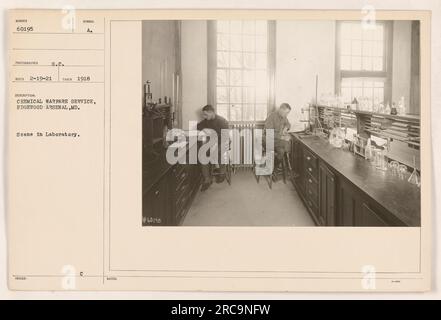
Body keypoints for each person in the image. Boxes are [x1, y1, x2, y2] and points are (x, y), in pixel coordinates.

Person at [197, 105, 230, 191]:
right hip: (212, 143)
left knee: (218, 151)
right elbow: (199, 126)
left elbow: (225, 137)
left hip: (223, 142)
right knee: (202, 154)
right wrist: (205, 130)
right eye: (203, 115)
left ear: (211, 112)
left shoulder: (222, 121)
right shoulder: (206, 121)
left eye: (205, 114)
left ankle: (222, 173)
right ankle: (207, 180)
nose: (204, 116)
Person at [264, 103, 292, 176]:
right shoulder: (271, 117)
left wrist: (286, 128)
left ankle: (276, 167)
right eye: (286, 112)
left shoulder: (283, 116)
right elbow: (269, 133)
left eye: (288, 113)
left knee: (282, 151)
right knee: (287, 143)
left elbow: (288, 124)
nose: (287, 115)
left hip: (276, 141)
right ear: (281, 109)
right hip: (268, 140)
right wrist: (282, 137)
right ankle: (284, 167)